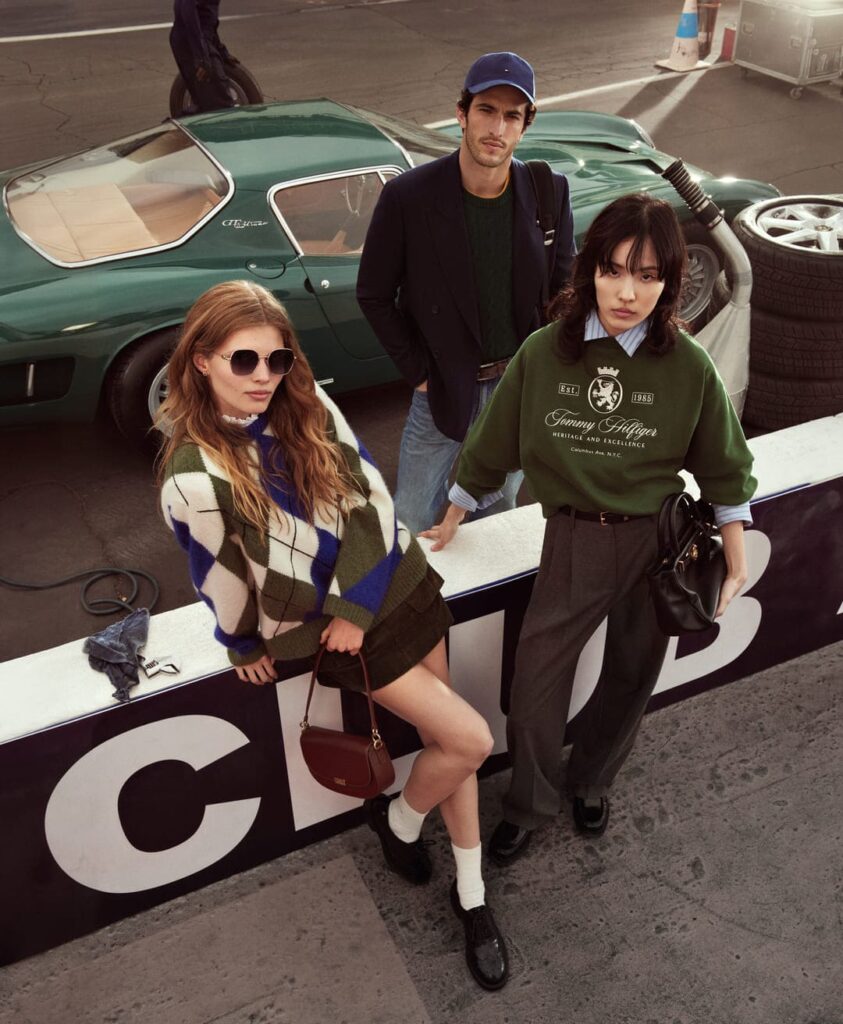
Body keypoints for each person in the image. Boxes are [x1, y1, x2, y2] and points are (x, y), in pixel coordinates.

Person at [156, 280, 509, 990]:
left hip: (395, 588)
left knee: (450, 742)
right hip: (338, 636)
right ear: (201, 359)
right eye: (244, 360)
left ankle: (467, 890)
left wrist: (356, 603)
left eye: (277, 359)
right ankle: (402, 825)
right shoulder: (192, 477)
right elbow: (219, 573)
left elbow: (370, 498)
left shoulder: (306, 403)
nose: (264, 376)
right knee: (469, 739)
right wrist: (242, 643)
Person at [422, 194, 757, 865]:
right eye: (613, 270)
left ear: (668, 281)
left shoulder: (687, 365)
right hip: (573, 539)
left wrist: (736, 556)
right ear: (590, 269)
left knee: (631, 677)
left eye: (647, 275)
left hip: (656, 544)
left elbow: (723, 463)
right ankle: (529, 803)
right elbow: (495, 438)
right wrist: (454, 511)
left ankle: (592, 782)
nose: (627, 292)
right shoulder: (546, 352)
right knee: (534, 686)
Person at [356, 51, 575, 535]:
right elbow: (373, 293)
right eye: (486, 110)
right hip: (441, 386)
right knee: (411, 514)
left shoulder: (548, 191)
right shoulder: (409, 197)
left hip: (515, 389)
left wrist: (548, 370)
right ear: (462, 113)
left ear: (525, 125)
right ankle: (414, 585)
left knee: (496, 511)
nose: (497, 128)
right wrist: (419, 372)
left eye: (512, 116)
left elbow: (565, 291)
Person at [170, 0, 237, 113]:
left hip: (194, 41)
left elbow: (206, 17)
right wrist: (201, 57)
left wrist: (221, 50)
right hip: (192, 43)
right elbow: (188, 13)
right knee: (219, 105)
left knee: (206, 102)